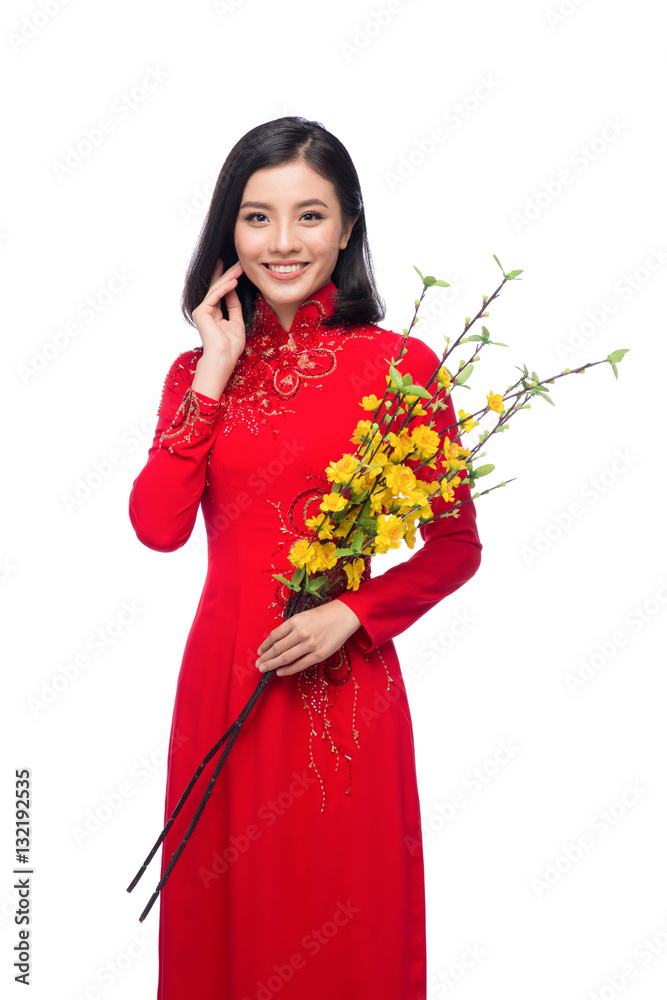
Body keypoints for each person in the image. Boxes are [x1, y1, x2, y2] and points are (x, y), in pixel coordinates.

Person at [128, 115, 482, 1000]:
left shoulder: (400, 369)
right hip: (222, 680)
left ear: (349, 226)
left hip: (339, 690)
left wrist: (352, 614)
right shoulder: (193, 371)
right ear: (227, 232)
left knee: (341, 916)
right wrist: (214, 369)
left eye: (309, 216)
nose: (283, 243)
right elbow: (157, 527)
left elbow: (455, 547)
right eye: (257, 218)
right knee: (224, 923)